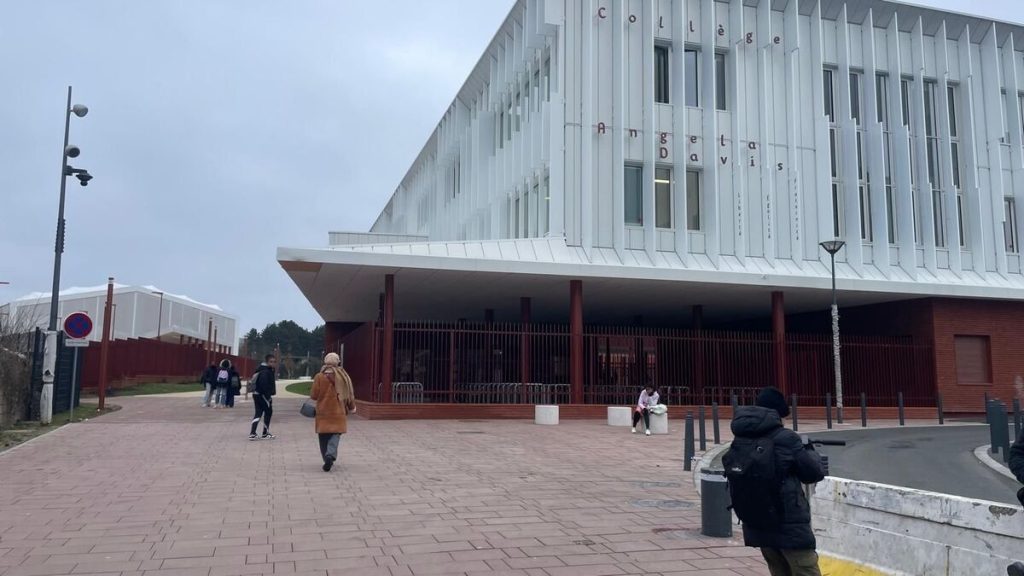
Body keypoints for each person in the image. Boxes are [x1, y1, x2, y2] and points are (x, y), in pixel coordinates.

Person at [727, 386, 825, 576]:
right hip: (790, 524)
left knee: (778, 570)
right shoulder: (786, 438)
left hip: (758, 521)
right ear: (778, 414)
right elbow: (812, 473)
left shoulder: (742, 436)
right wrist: (809, 450)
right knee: (806, 570)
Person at [310, 352, 356, 471]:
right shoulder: (343, 376)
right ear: (338, 362)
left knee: (323, 436)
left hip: (323, 412)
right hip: (338, 412)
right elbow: (349, 394)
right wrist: (352, 407)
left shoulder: (319, 376)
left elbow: (314, 395)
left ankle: (326, 458)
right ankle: (330, 454)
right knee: (336, 434)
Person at [248, 354, 277, 440]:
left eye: (274, 362)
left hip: (256, 394)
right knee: (268, 412)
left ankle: (253, 433)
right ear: (267, 362)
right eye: (271, 362)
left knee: (258, 413)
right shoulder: (266, 371)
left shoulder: (262, 369)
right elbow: (263, 385)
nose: (273, 363)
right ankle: (265, 433)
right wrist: (268, 396)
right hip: (262, 395)